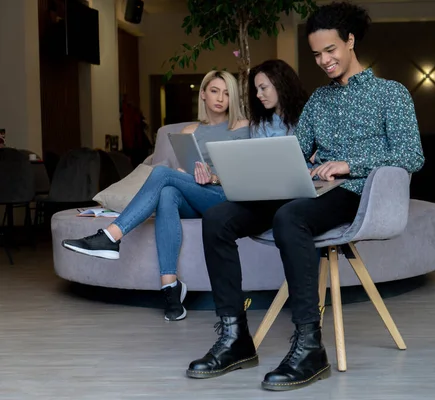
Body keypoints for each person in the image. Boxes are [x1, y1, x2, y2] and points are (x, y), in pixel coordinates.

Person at [185, 1, 425, 391]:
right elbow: (294, 152)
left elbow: (411, 154)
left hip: (354, 193)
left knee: (289, 217)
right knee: (217, 220)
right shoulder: (318, 101)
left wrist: (349, 163)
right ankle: (235, 339)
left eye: (331, 50)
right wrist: (234, 170)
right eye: (317, 54)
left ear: (350, 41)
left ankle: (310, 346)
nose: (324, 60)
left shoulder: (390, 94)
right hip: (308, 190)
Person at [61, 65, 307, 321]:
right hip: (196, 194)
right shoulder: (189, 131)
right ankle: (170, 287)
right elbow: (185, 169)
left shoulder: (246, 127)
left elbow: (248, 169)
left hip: (225, 196)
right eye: (214, 91)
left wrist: (213, 176)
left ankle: (110, 236)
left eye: (226, 93)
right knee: (167, 191)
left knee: (162, 175)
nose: (220, 98)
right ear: (203, 94)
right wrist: (186, 174)